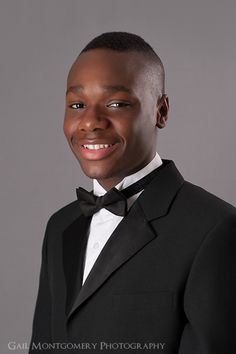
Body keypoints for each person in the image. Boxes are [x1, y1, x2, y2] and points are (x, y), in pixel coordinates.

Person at [29, 32, 236, 354]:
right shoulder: (60, 226)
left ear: (161, 112)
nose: (90, 122)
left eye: (117, 104)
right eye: (77, 104)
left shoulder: (216, 229)